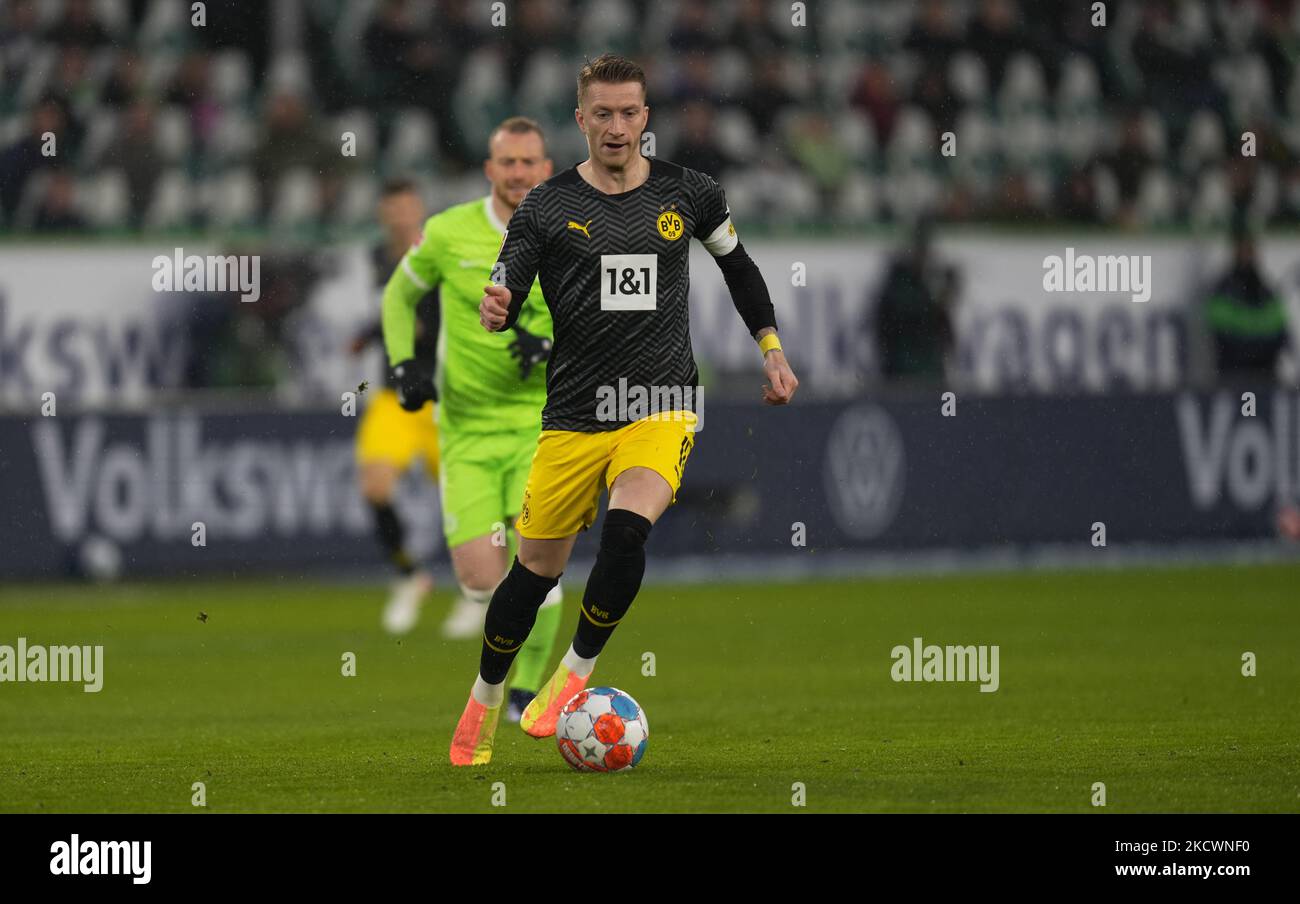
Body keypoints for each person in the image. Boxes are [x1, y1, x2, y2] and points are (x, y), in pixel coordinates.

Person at [451, 53, 799, 766]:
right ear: (580, 120)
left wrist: (770, 346)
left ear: (647, 117)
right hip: (574, 415)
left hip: (660, 403)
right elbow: (506, 282)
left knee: (626, 532)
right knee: (533, 573)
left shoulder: (690, 193)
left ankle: (572, 676)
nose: (616, 127)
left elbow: (738, 267)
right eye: (602, 114)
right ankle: (485, 698)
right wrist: (497, 304)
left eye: (629, 112)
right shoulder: (547, 206)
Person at [382, 118, 564, 721]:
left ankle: (524, 691)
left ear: (546, 169)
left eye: (529, 162)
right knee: (482, 578)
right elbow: (398, 297)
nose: (518, 172)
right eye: (507, 162)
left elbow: (604, 319)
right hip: (464, 431)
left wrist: (549, 344)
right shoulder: (447, 233)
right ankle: (517, 653)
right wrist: (406, 364)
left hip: (543, 425)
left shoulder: (571, 232)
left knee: (536, 560)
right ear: (490, 170)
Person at [352, 179, 441, 634]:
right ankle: (409, 575)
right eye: (393, 209)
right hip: (393, 395)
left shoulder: (438, 252)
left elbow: (439, 319)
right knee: (375, 486)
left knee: (483, 507)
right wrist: (367, 335)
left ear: (420, 209)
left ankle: (484, 592)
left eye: (408, 207)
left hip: (444, 395)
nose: (401, 216)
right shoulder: (377, 258)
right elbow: (388, 309)